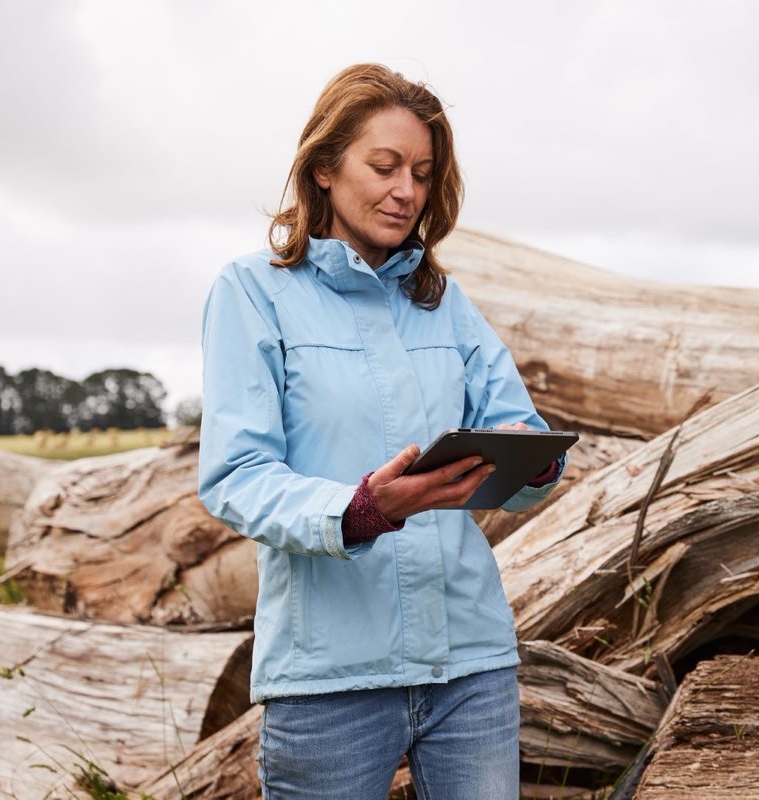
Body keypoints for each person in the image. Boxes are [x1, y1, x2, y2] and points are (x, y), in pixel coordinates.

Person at [197, 63, 566, 800]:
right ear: (325, 168)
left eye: (423, 174)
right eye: (385, 165)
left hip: (470, 664)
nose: (406, 190)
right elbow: (236, 477)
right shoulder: (252, 293)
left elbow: (516, 425)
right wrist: (365, 510)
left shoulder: (445, 303)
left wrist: (532, 463)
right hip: (329, 676)